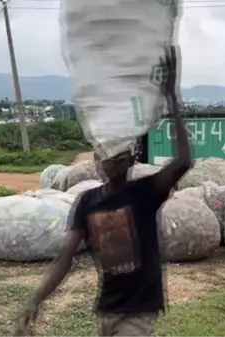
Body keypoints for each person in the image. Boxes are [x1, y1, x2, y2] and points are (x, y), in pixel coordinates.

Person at [16, 46, 192, 337]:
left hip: (141, 311)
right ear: (95, 158)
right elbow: (64, 258)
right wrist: (36, 299)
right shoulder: (87, 202)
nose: (109, 161)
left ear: (132, 159)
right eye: (104, 154)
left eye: (118, 155)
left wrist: (171, 97)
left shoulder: (146, 193)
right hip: (108, 309)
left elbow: (183, 161)